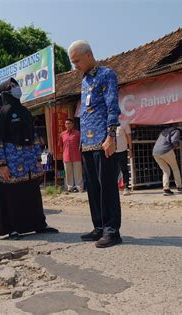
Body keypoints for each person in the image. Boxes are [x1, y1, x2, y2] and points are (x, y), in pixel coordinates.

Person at [0, 78, 58, 240]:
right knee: (11, 197)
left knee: (32, 194)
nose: (17, 89)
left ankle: (38, 225)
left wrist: (39, 160)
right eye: (12, 87)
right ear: (5, 91)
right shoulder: (0, 113)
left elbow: (33, 137)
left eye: (16, 86)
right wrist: (1, 164)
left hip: (28, 163)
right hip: (10, 163)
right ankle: (12, 229)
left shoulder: (25, 112)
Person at [68, 40, 122, 248]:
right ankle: (99, 226)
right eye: (73, 62)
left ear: (89, 55)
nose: (75, 66)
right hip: (87, 142)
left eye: (77, 61)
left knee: (107, 186)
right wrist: (82, 140)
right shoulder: (83, 80)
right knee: (93, 187)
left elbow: (111, 106)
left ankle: (112, 231)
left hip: (102, 140)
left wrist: (111, 136)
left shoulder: (107, 74)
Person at [153, 126, 182, 196]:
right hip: (166, 151)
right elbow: (174, 140)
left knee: (166, 170)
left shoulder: (164, 131)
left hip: (155, 152)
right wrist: (176, 146)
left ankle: (166, 189)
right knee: (175, 168)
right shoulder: (177, 131)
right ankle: (179, 187)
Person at [59, 118, 83, 193]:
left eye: (69, 123)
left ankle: (79, 187)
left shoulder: (77, 133)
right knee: (68, 172)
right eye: (66, 123)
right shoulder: (62, 134)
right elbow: (60, 145)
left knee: (78, 172)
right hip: (66, 156)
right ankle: (70, 187)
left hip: (76, 155)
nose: (68, 125)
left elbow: (81, 143)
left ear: (72, 124)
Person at [116, 121, 133, 196]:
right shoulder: (107, 123)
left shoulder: (124, 123)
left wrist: (130, 149)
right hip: (112, 151)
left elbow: (129, 136)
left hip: (122, 149)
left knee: (124, 169)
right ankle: (115, 188)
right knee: (112, 170)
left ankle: (126, 187)